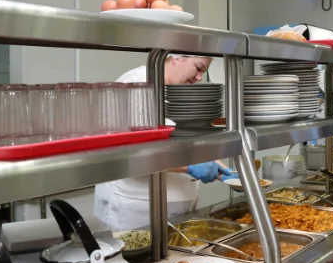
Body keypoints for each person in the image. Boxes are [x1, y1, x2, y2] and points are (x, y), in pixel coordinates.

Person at [94, 55, 237, 231]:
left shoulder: (179, 90)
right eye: (198, 68)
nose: (200, 77)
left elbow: (189, 143)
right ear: (177, 57)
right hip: (137, 208)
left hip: (178, 205)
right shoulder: (136, 85)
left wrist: (227, 173)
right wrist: (190, 166)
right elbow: (137, 153)